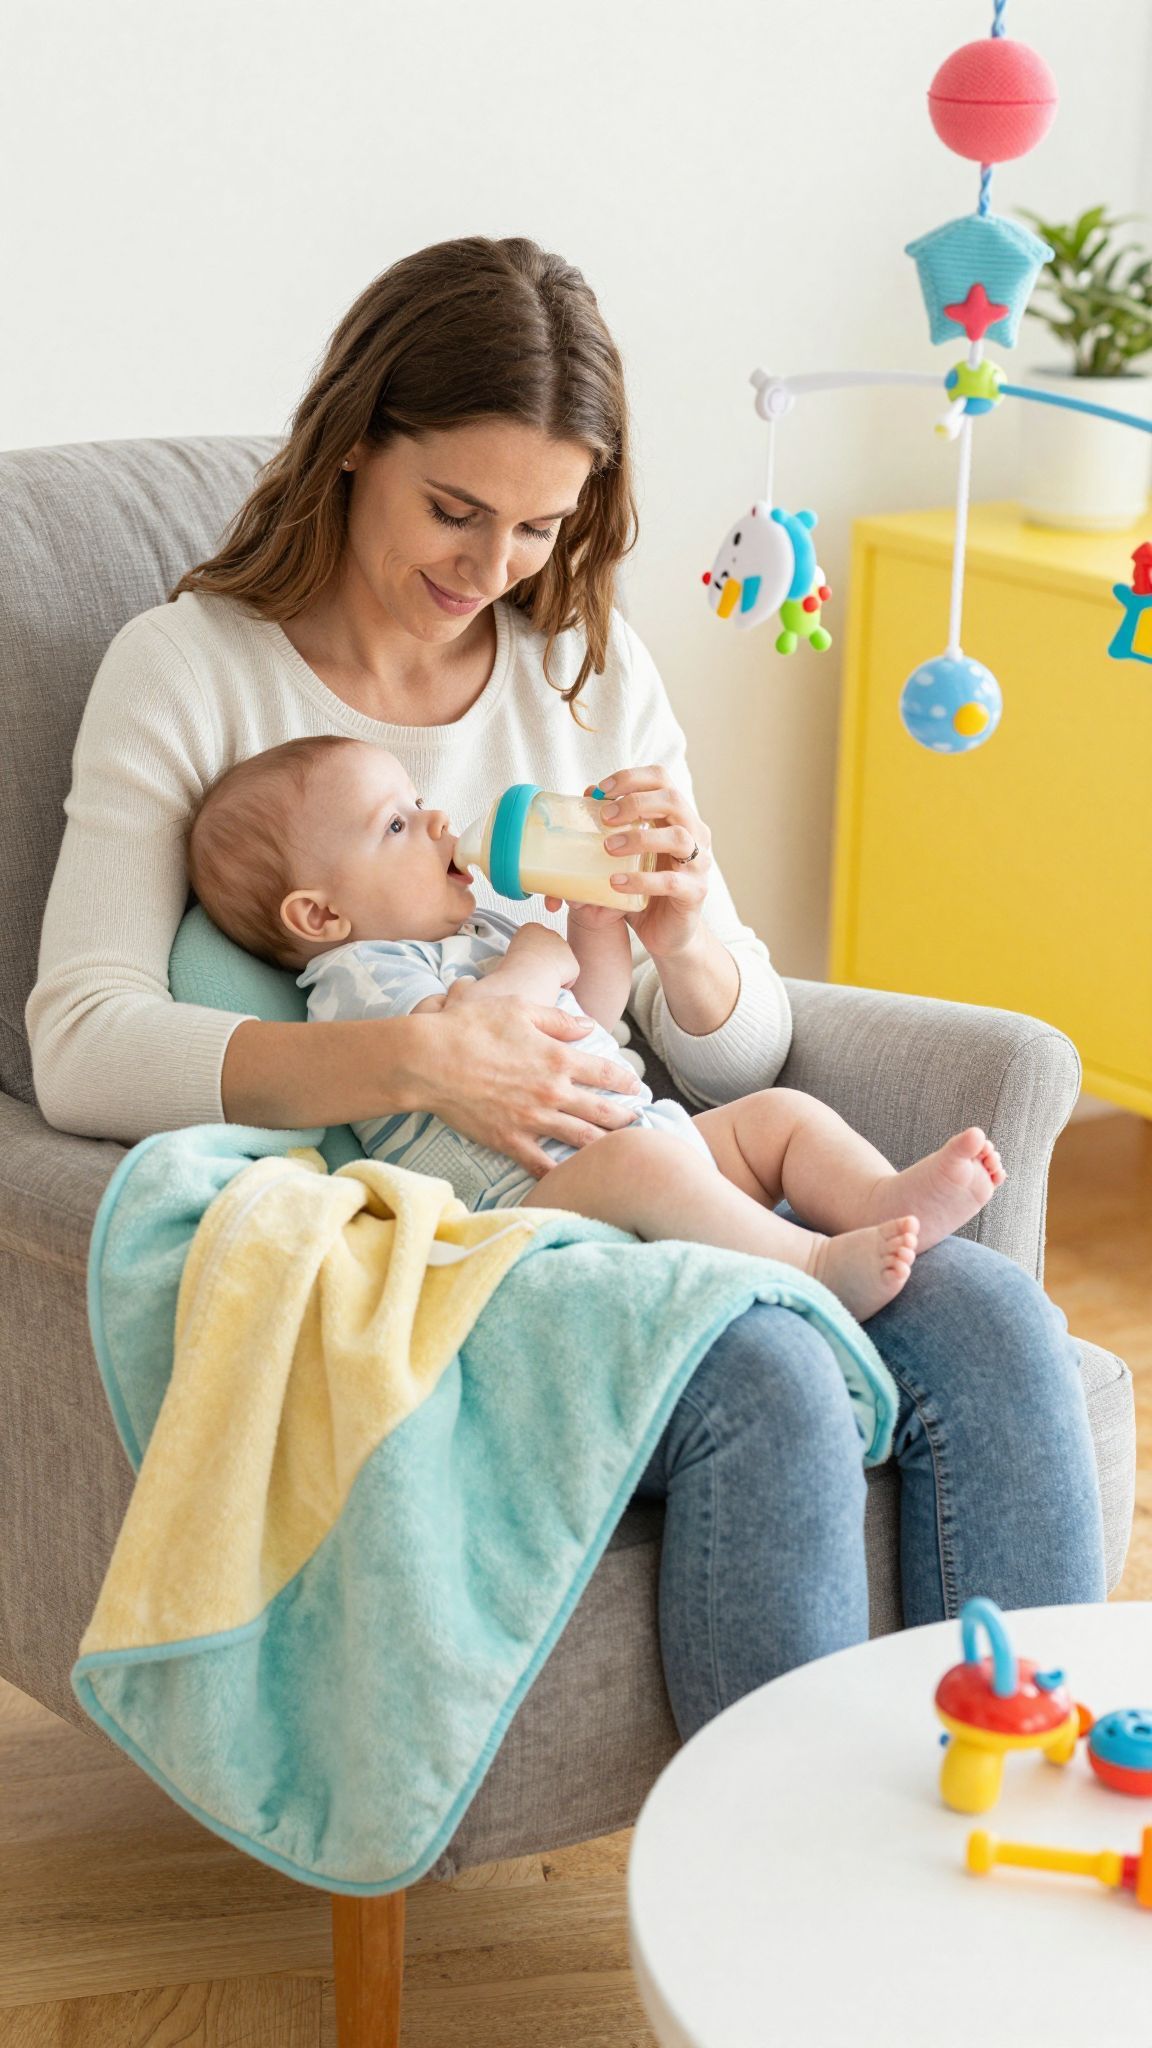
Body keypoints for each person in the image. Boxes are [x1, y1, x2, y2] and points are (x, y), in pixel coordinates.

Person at [26, 235, 1106, 1743]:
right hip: (463, 1239)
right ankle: (770, 1903)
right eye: (453, 510)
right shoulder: (194, 671)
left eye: (538, 527)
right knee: (771, 1371)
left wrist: (681, 937)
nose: (490, 572)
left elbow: (739, 1055)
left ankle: (1021, 1812)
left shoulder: (584, 673)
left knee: (987, 1321)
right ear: (351, 450)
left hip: (645, 1155)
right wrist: (421, 1062)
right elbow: (80, 1044)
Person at [187, 734, 1008, 1323]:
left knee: (777, 1119)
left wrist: (593, 931)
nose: (437, 822)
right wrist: (537, 965)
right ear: (322, 913)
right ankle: (816, 1267)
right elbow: (457, 1039)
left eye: (418, 802)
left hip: (628, 1147)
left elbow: (596, 1023)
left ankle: (876, 1198)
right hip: (525, 1210)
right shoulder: (356, 979)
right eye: (395, 825)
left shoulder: (475, 940)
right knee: (644, 1163)